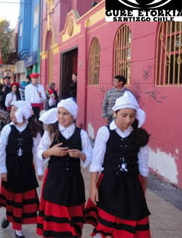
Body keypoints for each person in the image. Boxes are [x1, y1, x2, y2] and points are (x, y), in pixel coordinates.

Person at [85, 92, 150, 238]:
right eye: (124, 115)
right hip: (109, 184)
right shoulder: (105, 132)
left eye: (132, 116)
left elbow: (144, 168)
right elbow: (96, 162)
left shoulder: (140, 136)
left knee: (129, 225)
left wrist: (142, 193)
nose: (128, 120)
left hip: (132, 186)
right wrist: (93, 188)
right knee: (105, 223)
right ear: (115, 113)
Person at [37, 98, 92, 238]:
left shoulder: (82, 134)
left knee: (72, 217)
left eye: (65, 113)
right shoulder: (51, 132)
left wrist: (81, 155)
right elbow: (40, 151)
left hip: (73, 181)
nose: (61, 117)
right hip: (54, 180)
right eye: (59, 113)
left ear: (73, 115)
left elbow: (90, 155)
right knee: (55, 215)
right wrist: (50, 152)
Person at [0, 101, 44, 238]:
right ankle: (10, 217)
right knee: (12, 198)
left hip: (26, 170)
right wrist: (2, 169)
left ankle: (16, 226)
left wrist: (40, 170)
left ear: (23, 112)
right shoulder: (7, 129)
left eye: (15, 111)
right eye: (11, 111)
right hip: (11, 170)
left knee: (21, 201)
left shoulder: (33, 130)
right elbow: (1, 151)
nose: (11, 114)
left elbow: (37, 151)